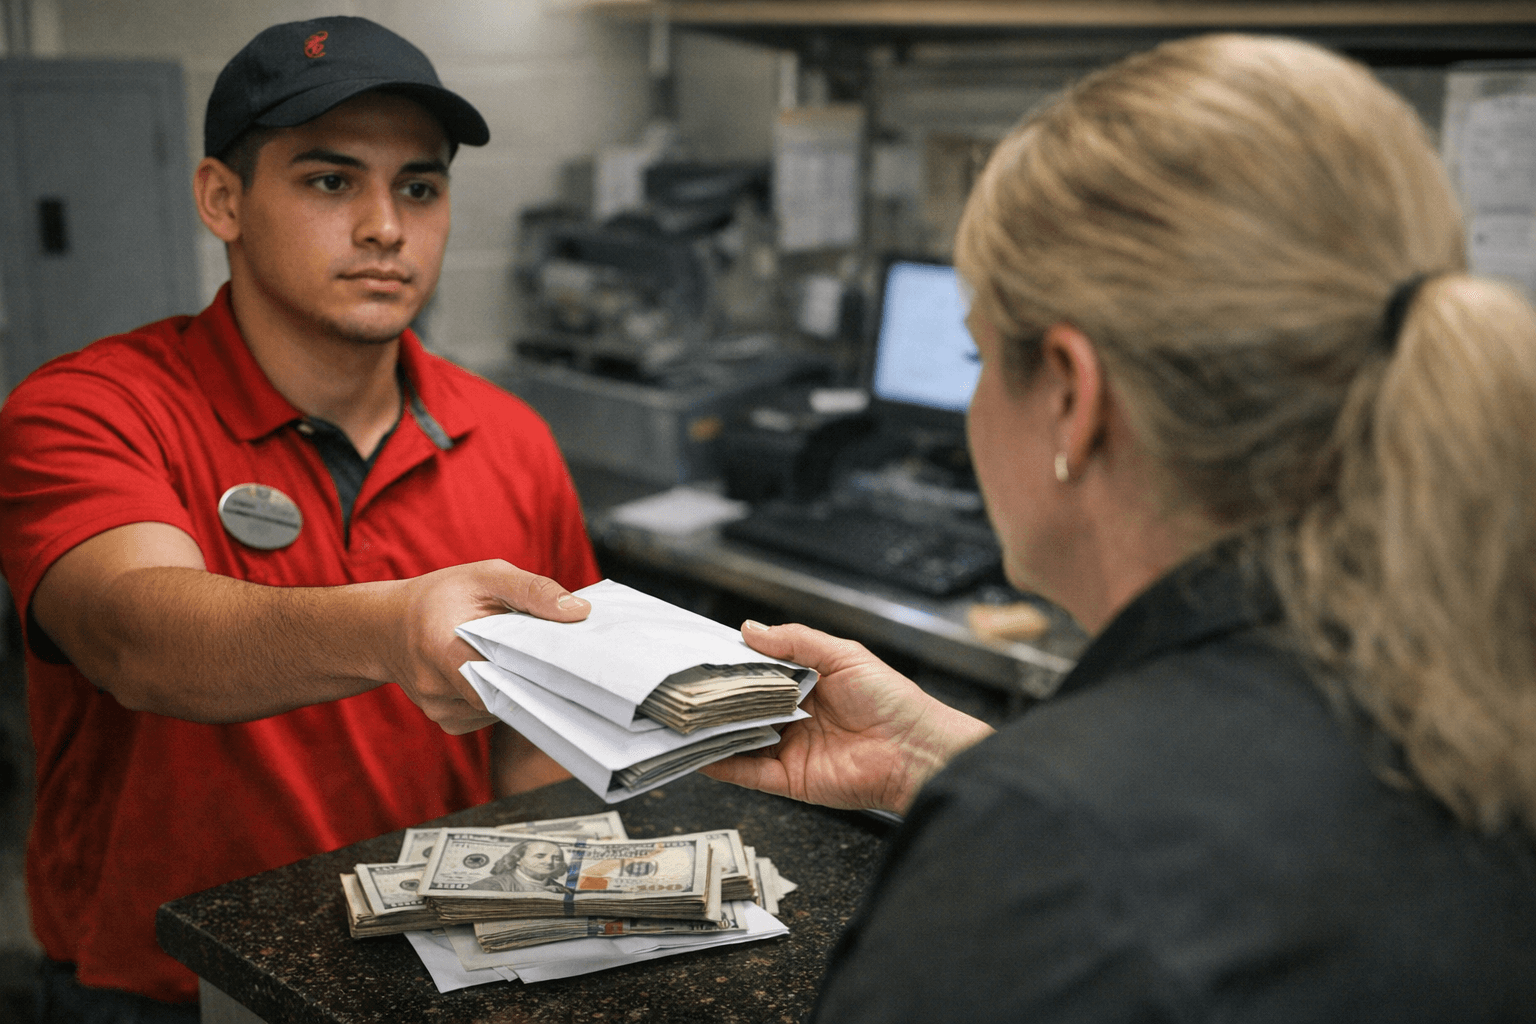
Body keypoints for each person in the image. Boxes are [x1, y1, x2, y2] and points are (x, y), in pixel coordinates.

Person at [704, 33, 1536, 1020]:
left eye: (977, 359)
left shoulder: (1050, 861)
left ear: (1071, 394)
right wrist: (936, 763)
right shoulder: (1476, 693)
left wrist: (1016, 810)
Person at [0, 16, 601, 1020]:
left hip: (430, 973)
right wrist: (396, 625)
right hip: (166, 989)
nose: (384, 226)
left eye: (419, 186)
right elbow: (138, 637)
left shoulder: (511, 440)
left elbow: (534, 747)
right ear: (221, 199)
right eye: (331, 181)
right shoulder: (92, 409)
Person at [469, 840, 573, 894]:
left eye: (557, 858)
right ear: (518, 859)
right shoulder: (489, 885)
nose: (549, 862)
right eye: (540, 856)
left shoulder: (563, 890)